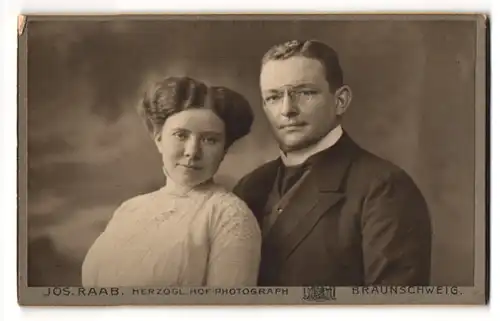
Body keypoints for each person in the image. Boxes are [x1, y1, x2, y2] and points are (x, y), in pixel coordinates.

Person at [233, 40, 432, 286]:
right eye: (273, 97)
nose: (287, 110)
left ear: (341, 101)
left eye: (305, 93)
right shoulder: (249, 186)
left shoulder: (384, 188)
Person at [82, 76, 261, 287]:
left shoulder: (230, 216)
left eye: (209, 140)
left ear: (224, 150)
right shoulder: (129, 210)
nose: (192, 152)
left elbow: (227, 313)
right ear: (159, 139)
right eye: (181, 135)